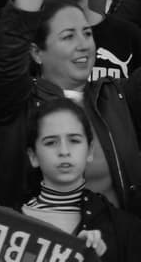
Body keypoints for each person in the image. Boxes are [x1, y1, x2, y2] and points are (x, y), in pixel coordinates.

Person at [0, 0, 141, 213]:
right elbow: (8, 47)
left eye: (86, 34)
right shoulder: (16, 105)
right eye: (68, 36)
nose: (84, 45)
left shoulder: (115, 97)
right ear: (36, 52)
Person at [23, 98, 141, 262]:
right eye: (51, 142)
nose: (64, 151)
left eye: (74, 140)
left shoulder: (126, 229)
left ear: (90, 150)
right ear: (33, 156)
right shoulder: (3, 225)